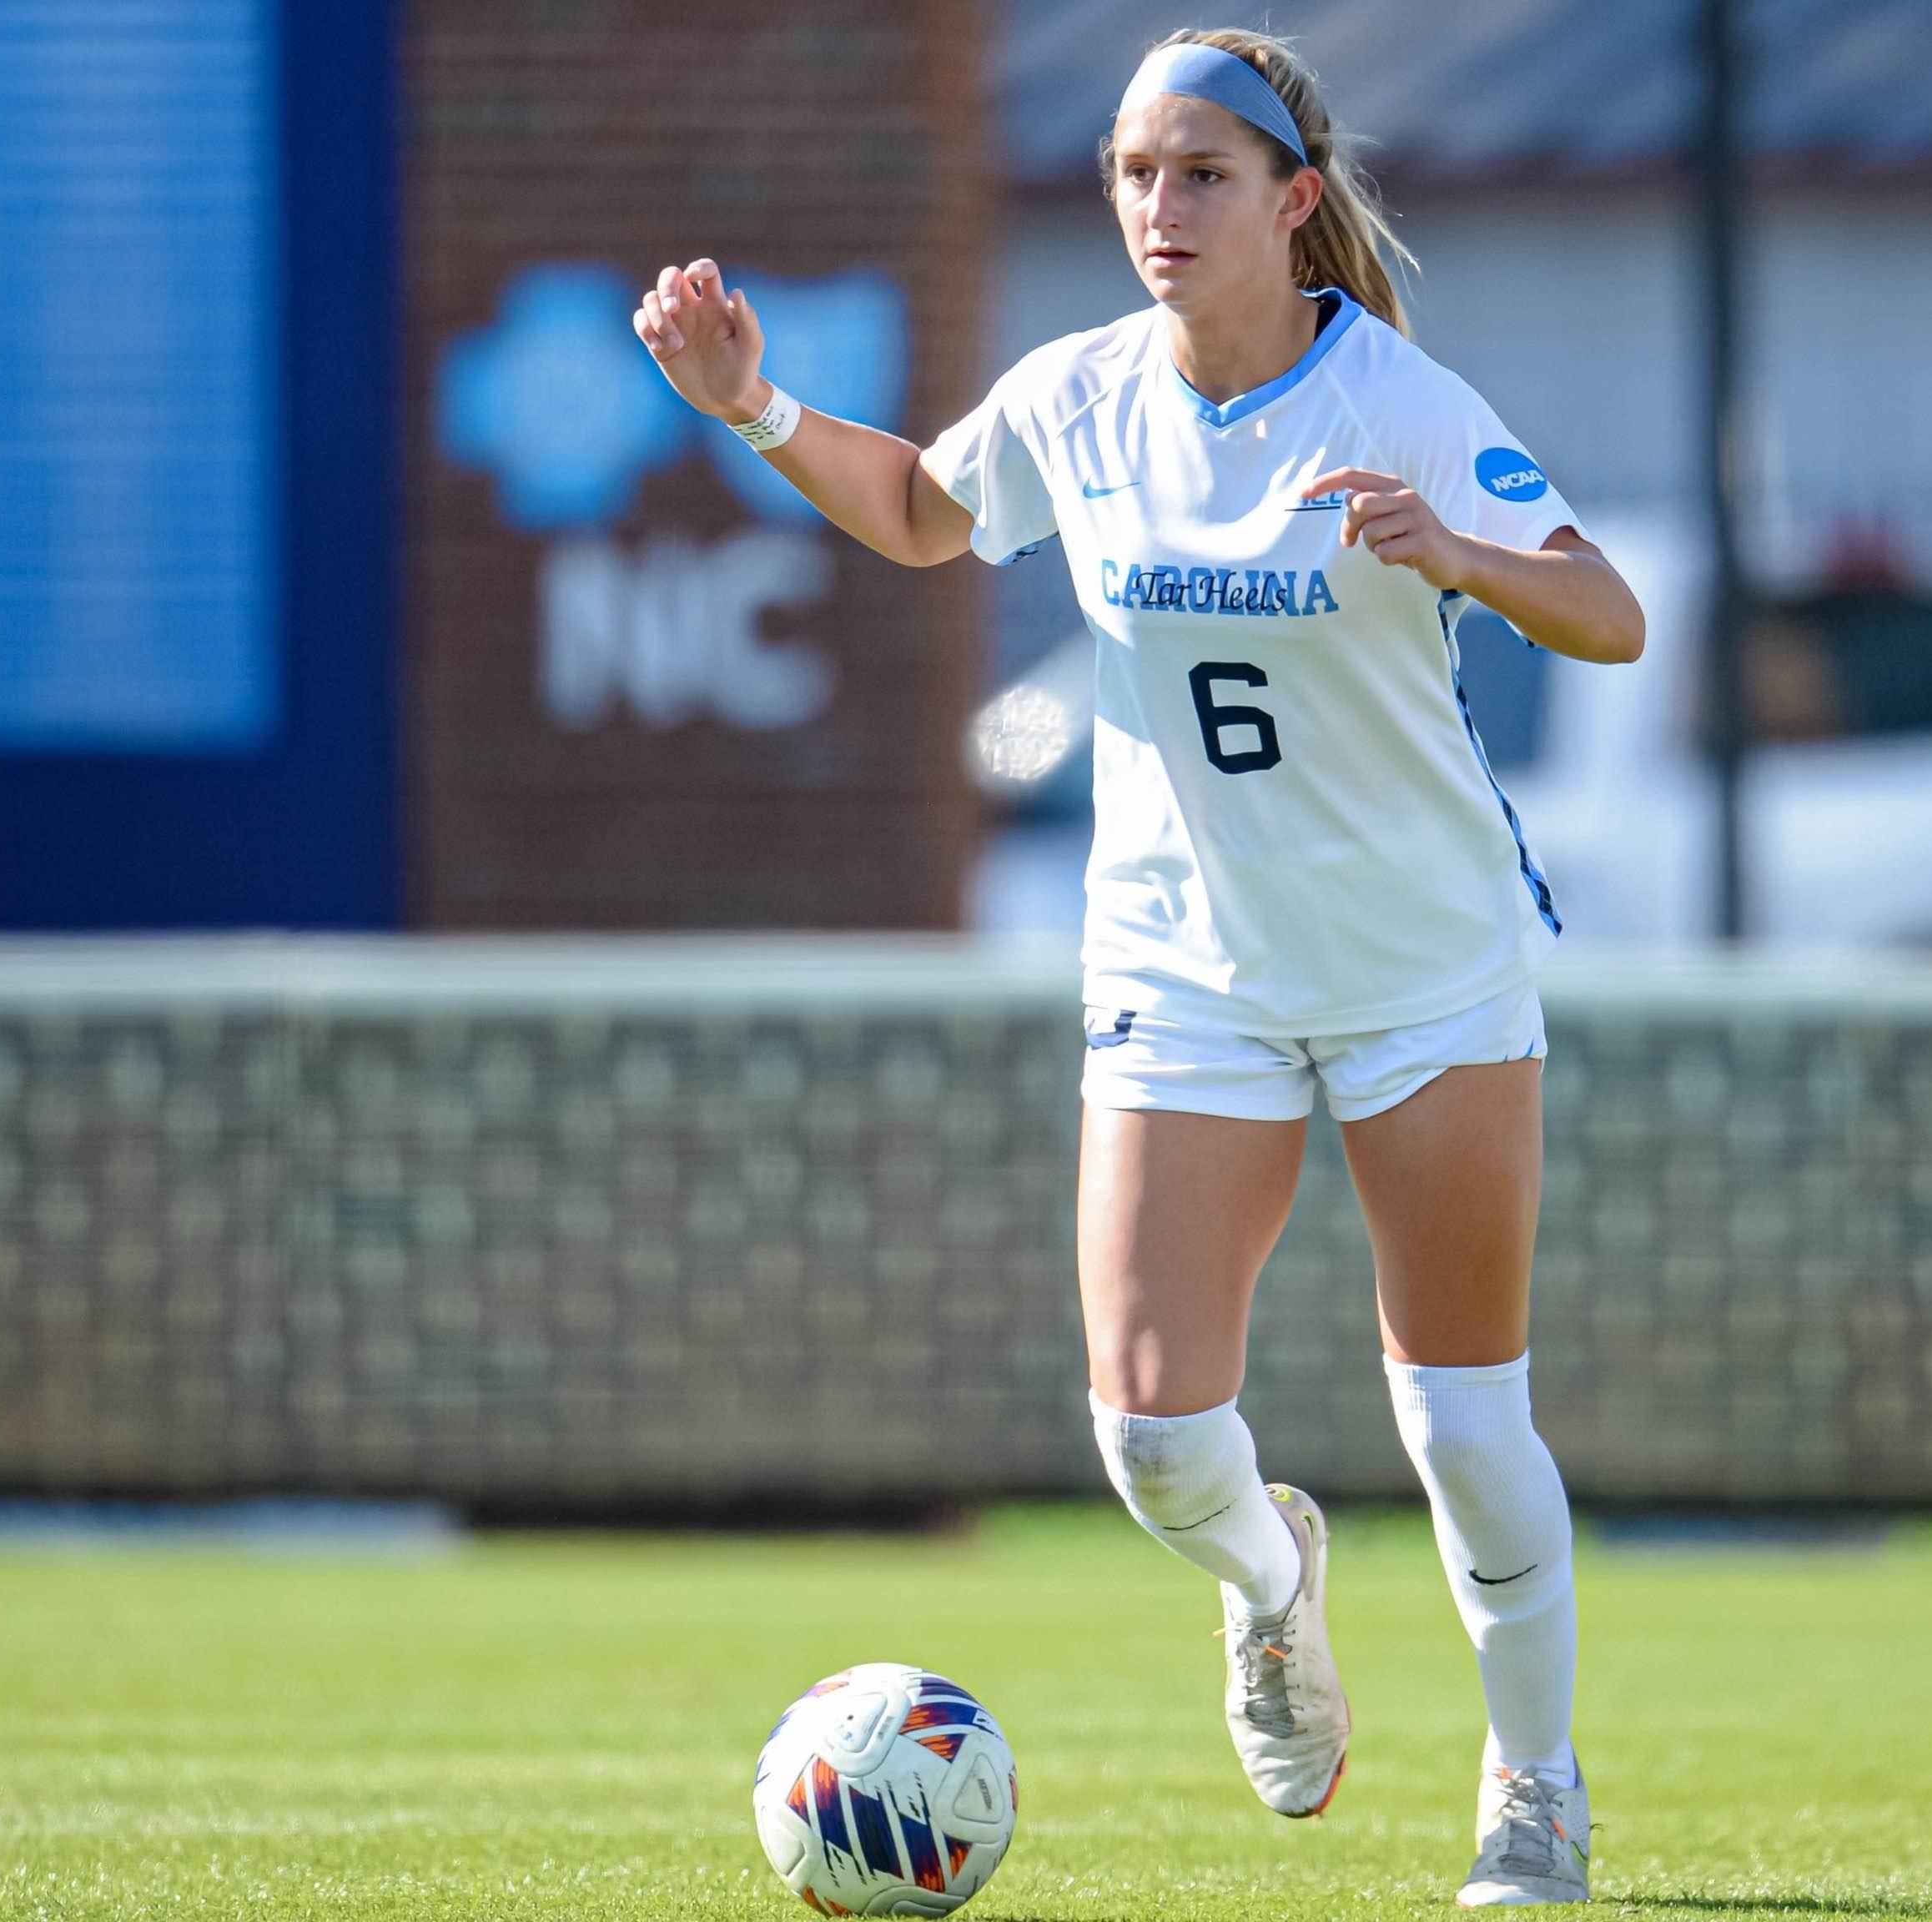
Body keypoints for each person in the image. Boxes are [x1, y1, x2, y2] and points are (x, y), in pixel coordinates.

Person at [635, 25, 1643, 1908]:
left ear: (1292, 202)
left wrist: (1463, 555)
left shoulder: (1398, 403)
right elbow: (926, 518)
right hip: (1186, 971)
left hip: (1422, 969)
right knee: (1152, 1433)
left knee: (1462, 1421)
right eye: (1128, 173)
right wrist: (756, 411)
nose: (1155, 209)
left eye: (1197, 174)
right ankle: (1273, 1586)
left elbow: (1611, 610)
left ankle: (1533, 1786)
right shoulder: (1076, 396)